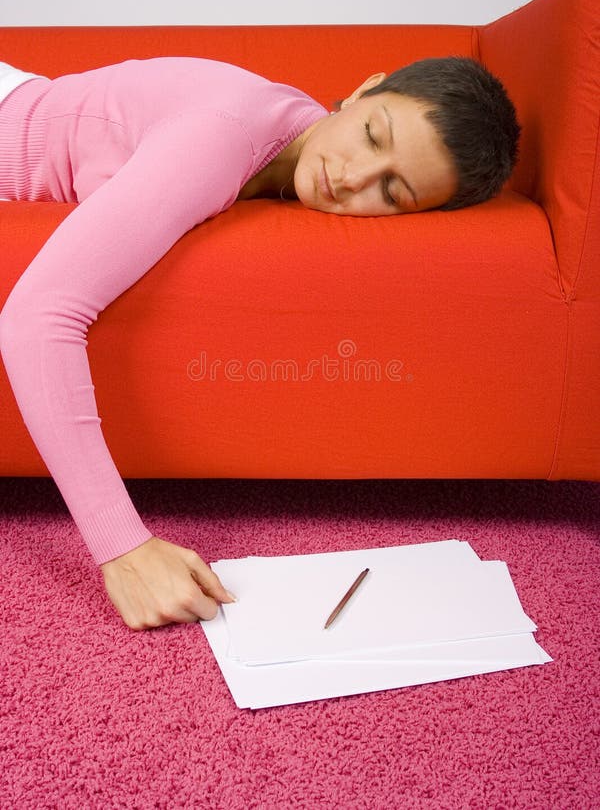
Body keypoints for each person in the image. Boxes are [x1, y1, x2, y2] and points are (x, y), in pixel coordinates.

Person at [0, 54, 520, 631]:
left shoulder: (288, 131)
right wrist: (124, 550)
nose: (352, 177)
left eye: (392, 191)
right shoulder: (221, 137)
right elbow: (35, 319)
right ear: (365, 87)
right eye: (373, 135)